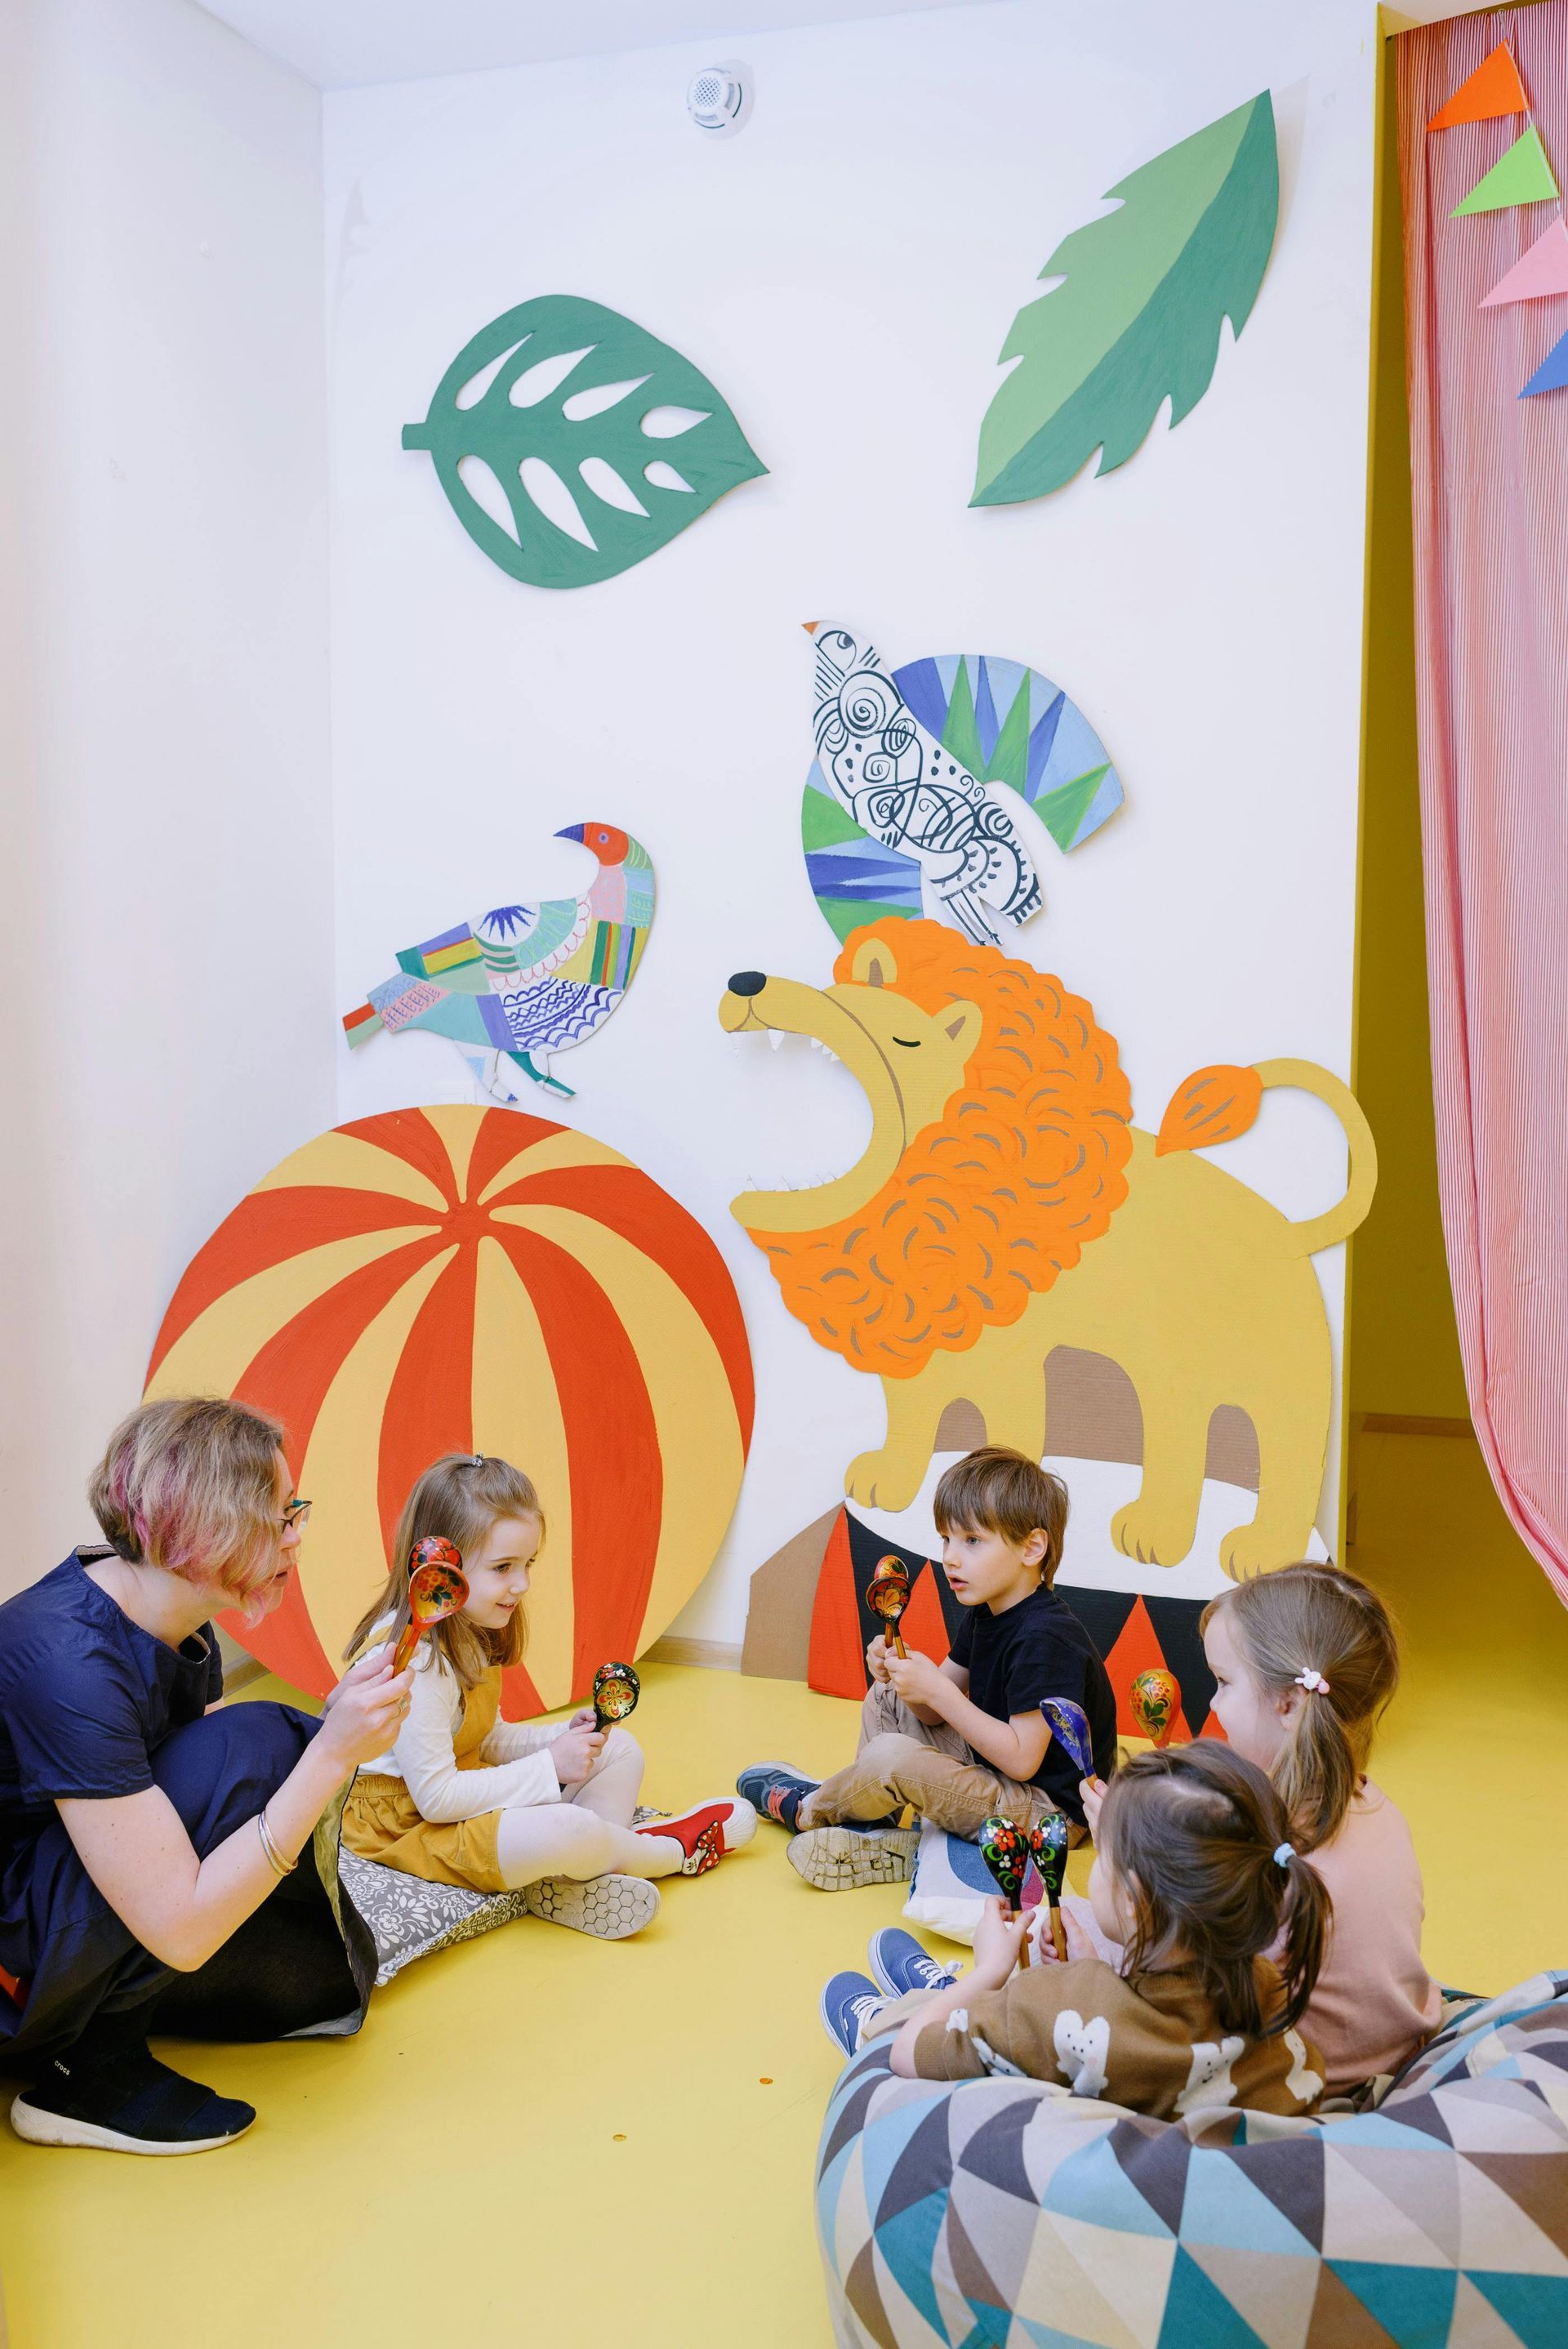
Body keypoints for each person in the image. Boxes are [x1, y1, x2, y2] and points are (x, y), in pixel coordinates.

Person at [0, 1397, 411, 2156]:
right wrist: (332, 1755)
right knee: (266, 1745)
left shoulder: (178, 1621)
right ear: (204, 1529)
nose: (298, 1534)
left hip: (68, 1888)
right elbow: (185, 1927)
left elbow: (208, 1801)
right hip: (13, 1957)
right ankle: (87, 2073)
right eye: (281, 1515)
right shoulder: (67, 1662)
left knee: (267, 1757)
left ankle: (105, 2022)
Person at [341, 1452, 754, 1938]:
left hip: (456, 1791)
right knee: (571, 1829)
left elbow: (483, 1739)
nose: (522, 1584)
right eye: (503, 1567)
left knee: (619, 1749)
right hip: (406, 1823)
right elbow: (437, 1799)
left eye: (528, 1563)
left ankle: (576, 1874)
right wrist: (549, 1768)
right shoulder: (419, 1657)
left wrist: (559, 1740)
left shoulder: (468, 1628)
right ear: (439, 1569)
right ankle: (668, 1851)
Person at [820, 1741, 1330, 2122]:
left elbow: (910, 2056)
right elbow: (1158, 2029)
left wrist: (991, 1972)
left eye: (1104, 1855)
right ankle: (942, 2001)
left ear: (1133, 1901)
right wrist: (1095, 1973)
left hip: (968, 2094)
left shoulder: (1051, 2005)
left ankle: (901, 2014)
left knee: (912, 2027)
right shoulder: (1270, 1990)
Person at [737, 1447, 1116, 1890]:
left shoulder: (1047, 1637)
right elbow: (933, 1714)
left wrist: (937, 1691)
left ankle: (811, 1810)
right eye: (946, 1539)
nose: (950, 1557)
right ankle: (873, 1826)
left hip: (1045, 1813)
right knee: (887, 1698)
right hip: (992, 1772)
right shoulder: (988, 1610)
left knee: (890, 1758)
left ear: (1032, 1547)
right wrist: (900, 1670)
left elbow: (1021, 1759)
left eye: (972, 1541)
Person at [1196, 1560, 1442, 2094]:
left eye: (1222, 1683)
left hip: (1304, 2082)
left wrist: (1127, 1852)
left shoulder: (1274, 1849)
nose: (1213, 1704)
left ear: (1288, 1704)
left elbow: (1203, 1983)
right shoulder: (1372, 1802)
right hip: (1394, 2051)